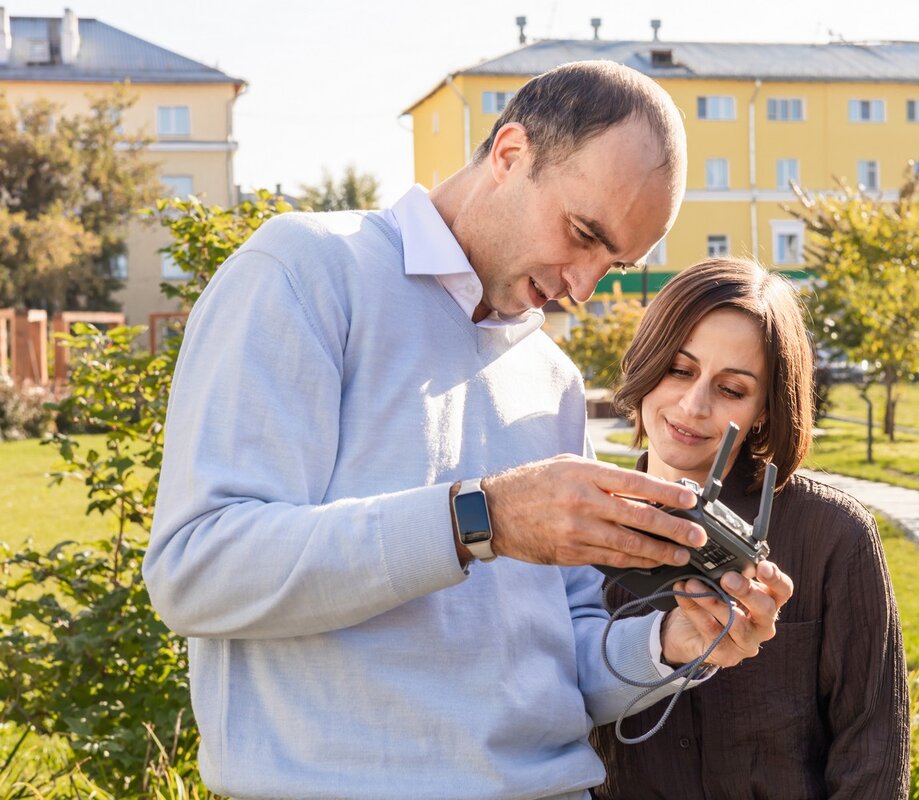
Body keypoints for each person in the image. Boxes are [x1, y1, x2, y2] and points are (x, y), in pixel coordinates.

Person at [143, 62, 792, 799]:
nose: (583, 287)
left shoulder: (553, 379)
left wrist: (673, 644)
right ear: (510, 153)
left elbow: (563, 666)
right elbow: (196, 569)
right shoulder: (309, 271)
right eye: (584, 234)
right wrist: (480, 519)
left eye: (614, 263)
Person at [591, 258, 910, 799]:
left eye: (731, 389)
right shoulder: (582, 525)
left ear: (763, 409)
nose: (693, 406)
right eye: (679, 369)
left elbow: (872, 751)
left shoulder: (833, 535)